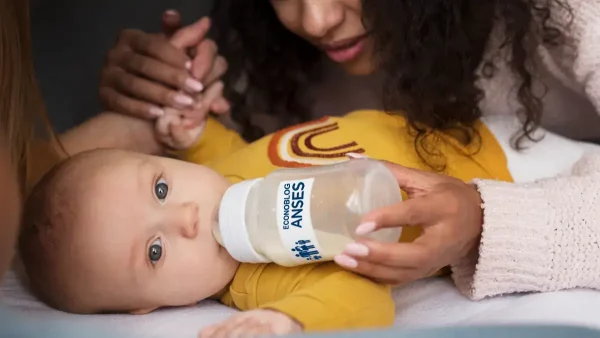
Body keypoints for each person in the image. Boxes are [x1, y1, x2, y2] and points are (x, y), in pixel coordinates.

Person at [97, 1, 600, 300]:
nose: (316, 19)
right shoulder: (280, 60)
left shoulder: (572, 13)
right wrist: (160, 99)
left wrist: (487, 224)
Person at [18, 100, 524, 336]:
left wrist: (196, 135)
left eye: (161, 188)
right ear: (146, 306)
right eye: (155, 251)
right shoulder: (257, 273)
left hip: (474, 129)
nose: (187, 218)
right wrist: (289, 319)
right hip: (506, 187)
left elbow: (239, 152)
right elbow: (361, 297)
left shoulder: (216, 178)